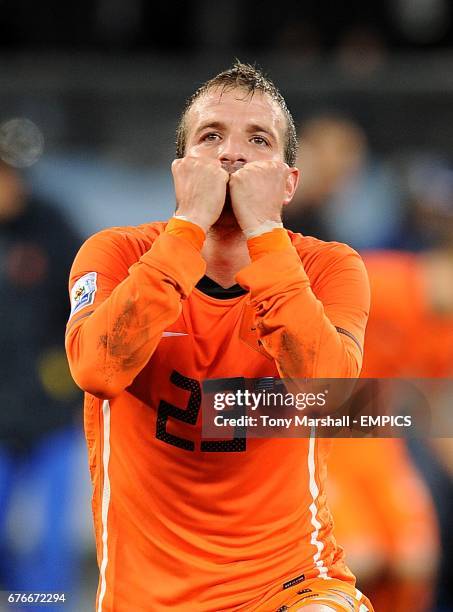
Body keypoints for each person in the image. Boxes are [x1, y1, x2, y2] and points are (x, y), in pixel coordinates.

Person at [65, 61, 373, 612]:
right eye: (211, 137)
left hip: (291, 585)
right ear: (181, 171)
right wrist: (187, 227)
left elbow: (328, 395)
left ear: (289, 182)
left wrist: (264, 235)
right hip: (146, 598)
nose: (232, 155)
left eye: (259, 140)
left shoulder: (330, 267)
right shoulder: (113, 253)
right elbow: (97, 371)